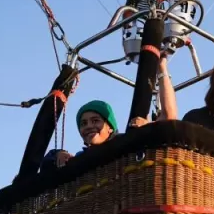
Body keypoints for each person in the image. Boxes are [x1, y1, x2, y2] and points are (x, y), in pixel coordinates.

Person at [40, 54, 177, 172]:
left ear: (110, 126)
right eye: (83, 123)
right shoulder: (82, 158)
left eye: (95, 121)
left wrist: (162, 68)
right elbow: (45, 164)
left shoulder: (125, 143)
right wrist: (58, 154)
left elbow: (169, 118)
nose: (88, 126)